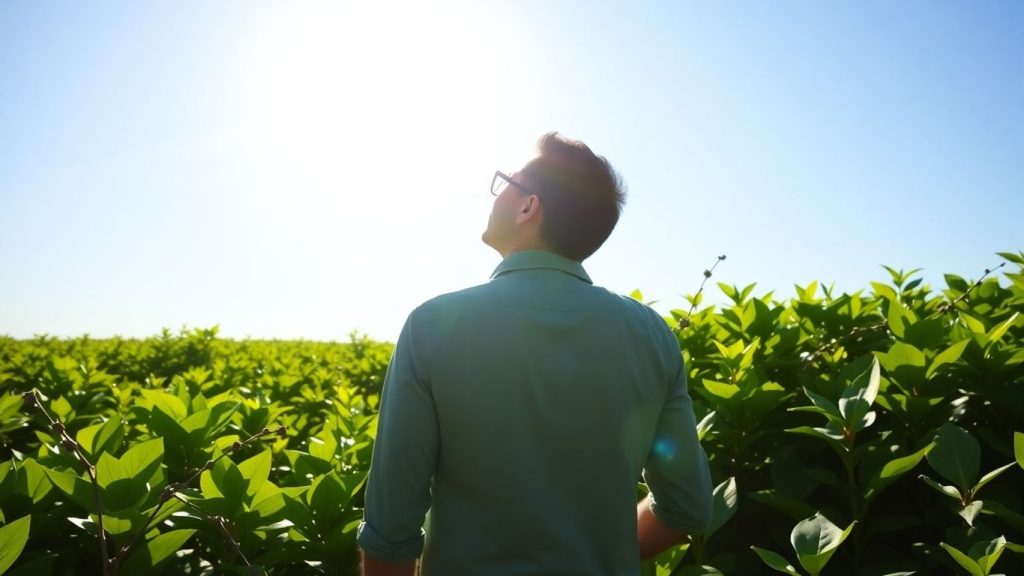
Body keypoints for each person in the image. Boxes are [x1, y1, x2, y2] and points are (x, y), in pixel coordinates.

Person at [357, 132, 713, 576]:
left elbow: (391, 531)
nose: (496, 193)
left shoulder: (433, 325)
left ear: (529, 207)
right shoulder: (651, 335)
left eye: (506, 181)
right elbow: (687, 508)